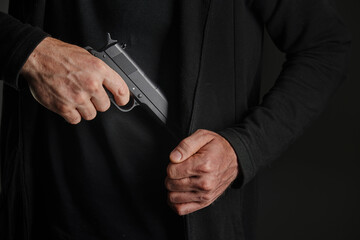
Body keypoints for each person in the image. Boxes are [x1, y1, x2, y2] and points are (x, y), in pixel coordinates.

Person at [0, 0, 351, 240]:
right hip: (48, 217)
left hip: (188, 219)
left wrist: (242, 148)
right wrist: (29, 51)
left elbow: (325, 44)